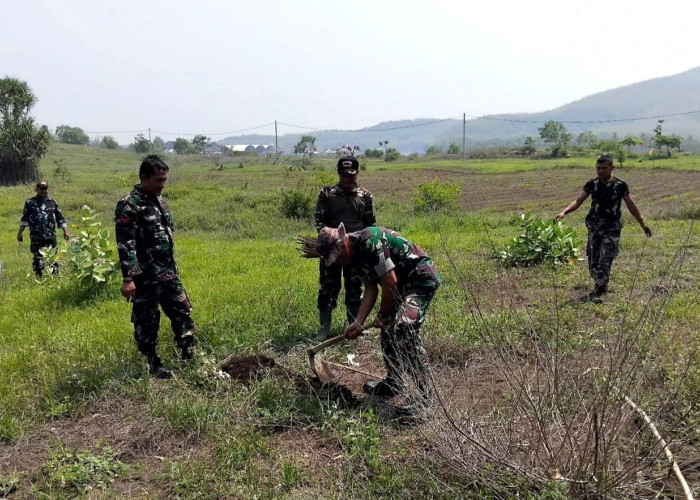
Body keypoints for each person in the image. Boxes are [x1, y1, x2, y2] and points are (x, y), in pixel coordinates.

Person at [302, 223, 441, 414]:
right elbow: (371, 288)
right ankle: (394, 382)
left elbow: (389, 281)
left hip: (419, 279)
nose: (339, 262)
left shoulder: (371, 240)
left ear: (344, 244)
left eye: (338, 256)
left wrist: (384, 314)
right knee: (388, 330)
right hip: (400, 286)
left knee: (403, 328)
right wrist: (358, 322)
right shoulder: (353, 258)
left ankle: (424, 396)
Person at [115, 155, 196, 379]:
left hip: (169, 274)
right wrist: (128, 279)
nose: (163, 184)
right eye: (158, 180)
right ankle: (153, 365)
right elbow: (125, 243)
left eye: (164, 180)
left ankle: (189, 357)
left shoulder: (159, 202)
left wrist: (174, 269)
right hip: (145, 278)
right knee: (147, 322)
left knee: (183, 313)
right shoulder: (129, 205)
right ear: (144, 178)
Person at [555, 154, 652, 298]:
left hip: (612, 227)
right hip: (594, 226)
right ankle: (600, 283)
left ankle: (600, 288)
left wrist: (642, 223)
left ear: (612, 168)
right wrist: (564, 212)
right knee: (593, 259)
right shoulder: (592, 184)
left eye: (604, 168)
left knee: (606, 258)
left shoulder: (620, 185)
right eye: (598, 168)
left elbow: (631, 204)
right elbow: (579, 200)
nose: (600, 171)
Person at [313, 156, 375, 341]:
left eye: (351, 175)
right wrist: (332, 242)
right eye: (343, 175)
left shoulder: (366, 196)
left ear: (357, 173)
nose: (347, 179)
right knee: (328, 288)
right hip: (332, 250)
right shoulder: (327, 194)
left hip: (355, 252)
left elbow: (370, 225)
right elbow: (320, 222)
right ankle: (324, 330)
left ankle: (355, 326)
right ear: (339, 174)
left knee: (355, 288)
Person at [17, 180, 70, 277]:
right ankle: (39, 278)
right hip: (36, 236)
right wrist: (20, 233)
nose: (43, 191)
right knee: (37, 258)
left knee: (53, 258)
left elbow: (60, 218)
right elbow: (25, 219)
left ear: (48, 190)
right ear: (36, 189)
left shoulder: (53, 202)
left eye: (45, 189)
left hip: (50, 235)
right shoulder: (30, 203)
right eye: (41, 189)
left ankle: (55, 277)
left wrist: (65, 231)